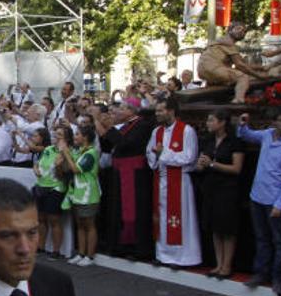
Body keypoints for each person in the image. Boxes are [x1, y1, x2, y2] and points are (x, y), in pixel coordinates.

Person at [238, 108, 281, 288]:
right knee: (262, 237)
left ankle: (279, 277)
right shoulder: (268, 135)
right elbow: (249, 136)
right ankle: (261, 273)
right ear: (274, 122)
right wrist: (243, 126)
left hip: (276, 200)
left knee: (280, 240)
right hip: (258, 196)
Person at [95, 101, 155, 259]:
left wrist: (109, 128)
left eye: (121, 109)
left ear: (131, 111)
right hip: (119, 171)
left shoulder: (142, 125)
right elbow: (108, 145)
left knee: (132, 210)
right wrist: (104, 129)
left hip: (134, 174)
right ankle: (118, 245)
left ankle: (135, 247)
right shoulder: (124, 125)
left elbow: (126, 143)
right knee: (118, 209)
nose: (117, 112)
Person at [146, 97, 201, 267]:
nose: (157, 114)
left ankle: (181, 257)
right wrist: (156, 155)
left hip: (179, 181)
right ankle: (163, 255)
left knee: (179, 219)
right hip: (161, 179)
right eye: (156, 111)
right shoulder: (157, 132)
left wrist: (164, 153)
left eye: (160, 110)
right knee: (162, 217)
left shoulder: (186, 131)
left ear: (171, 111)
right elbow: (149, 152)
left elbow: (189, 157)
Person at [194, 109, 244, 279]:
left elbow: (236, 168)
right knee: (215, 227)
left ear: (222, 122)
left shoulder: (234, 142)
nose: (208, 124)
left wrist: (213, 165)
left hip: (227, 189)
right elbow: (200, 164)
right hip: (210, 187)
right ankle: (218, 263)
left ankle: (227, 265)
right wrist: (200, 165)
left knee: (227, 229)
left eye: (211, 120)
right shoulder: (207, 141)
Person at [60, 125, 101, 266]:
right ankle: (81, 253)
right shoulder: (80, 152)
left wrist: (66, 153)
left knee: (89, 224)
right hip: (77, 193)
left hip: (89, 193)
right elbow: (67, 168)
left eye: (77, 135)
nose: (75, 137)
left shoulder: (91, 153)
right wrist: (64, 157)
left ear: (86, 137)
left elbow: (76, 169)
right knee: (80, 224)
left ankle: (90, 256)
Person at [197, 21, 268, 103]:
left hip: (202, 70)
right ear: (230, 30)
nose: (241, 32)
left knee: (225, 80)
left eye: (244, 31)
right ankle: (238, 100)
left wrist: (262, 67)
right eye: (238, 29)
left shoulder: (219, 41)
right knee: (242, 77)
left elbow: (243, 64)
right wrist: (259, 75)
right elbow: (240, 65)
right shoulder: (229, 43)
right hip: (214, 68)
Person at [33, 126, 71, 259]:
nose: (56, 136)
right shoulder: (48, 149)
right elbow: (38, 163)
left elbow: (64, 173)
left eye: (60, 134)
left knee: (54, 220)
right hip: (41, 185)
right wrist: (36, 168)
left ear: (66, 138)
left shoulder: (67, 152)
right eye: (56, 134)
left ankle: (56, 250)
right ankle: (41, 247)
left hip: (55, 188)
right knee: (41, 218)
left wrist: (61, 161)